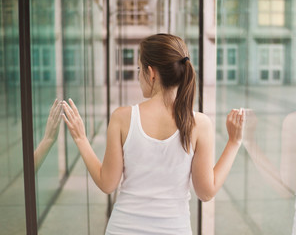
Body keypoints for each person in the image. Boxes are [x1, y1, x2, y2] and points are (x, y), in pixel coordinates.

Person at [62, 33, 245, 234]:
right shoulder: (199, 124)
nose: (139, 75)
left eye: (140, 68)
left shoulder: (122, 118)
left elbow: (107, 184)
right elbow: (206, 192)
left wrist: (80, 138)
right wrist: (234, 142)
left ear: (151, 73)